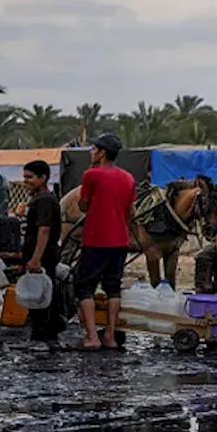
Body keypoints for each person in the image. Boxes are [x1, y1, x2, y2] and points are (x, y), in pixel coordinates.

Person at [75, 134, 136, 350]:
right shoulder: (128, 178)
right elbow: (130, 210)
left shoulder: (91, 175)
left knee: (85, 286)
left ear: (102, 153)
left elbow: (83, 206)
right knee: (113, 287)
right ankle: (109, 336)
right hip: (120, 240)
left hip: (96, 239)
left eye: (94, 149)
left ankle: (92, 337)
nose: (91, 152)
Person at [21, 160, 65, 343]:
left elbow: (44, 230)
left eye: (30, 177)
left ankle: (44, 335)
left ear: (43, 178)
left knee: (42, 295)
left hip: (42, 255)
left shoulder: (45, 200)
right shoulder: (38, 199)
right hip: (36, 254)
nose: (26, 181)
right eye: (25, 177)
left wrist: (36, 258)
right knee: (39, 294)